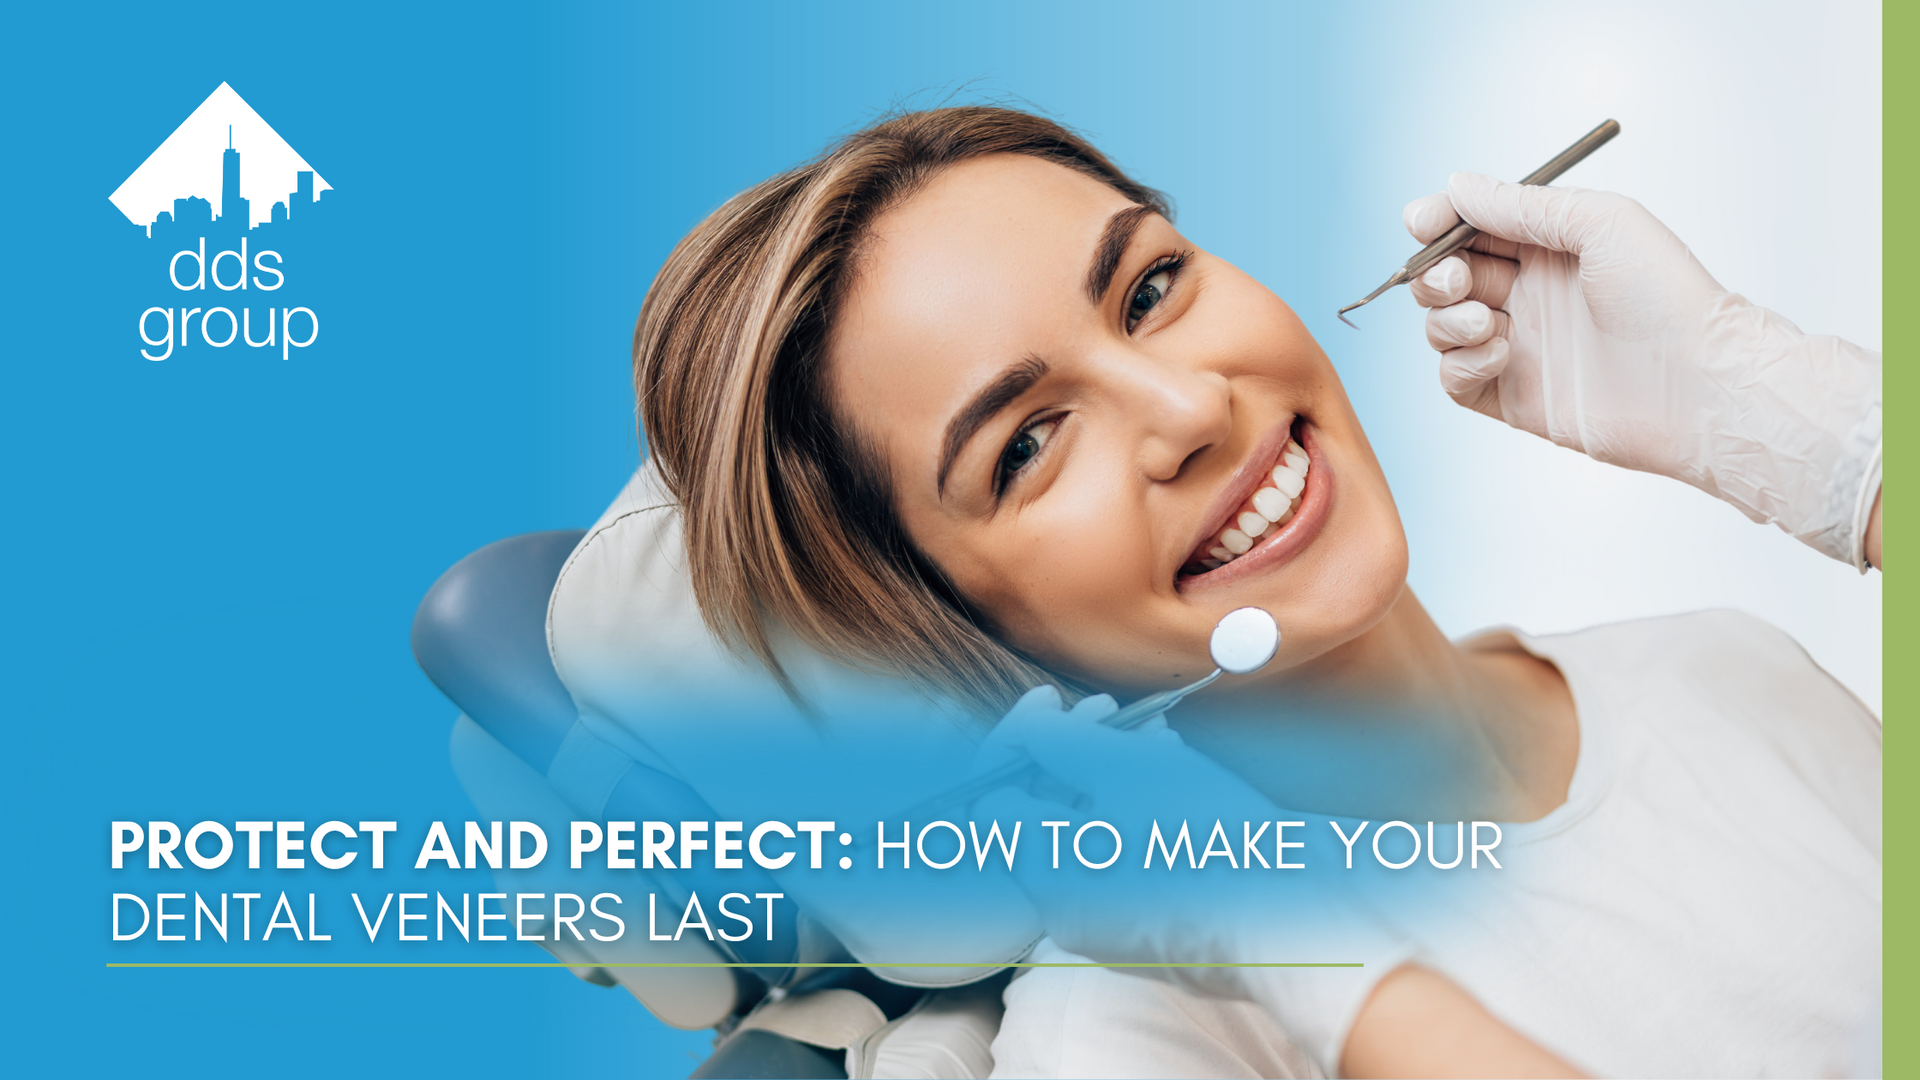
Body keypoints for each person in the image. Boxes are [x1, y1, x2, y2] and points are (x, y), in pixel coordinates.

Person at [630, 106, 1880, 1077]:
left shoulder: (1721, 670)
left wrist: (1842, 459)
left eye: (1151, 289)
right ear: (959, 645)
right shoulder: (1131, 1042)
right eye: (1025, 445)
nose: (1188, 408)